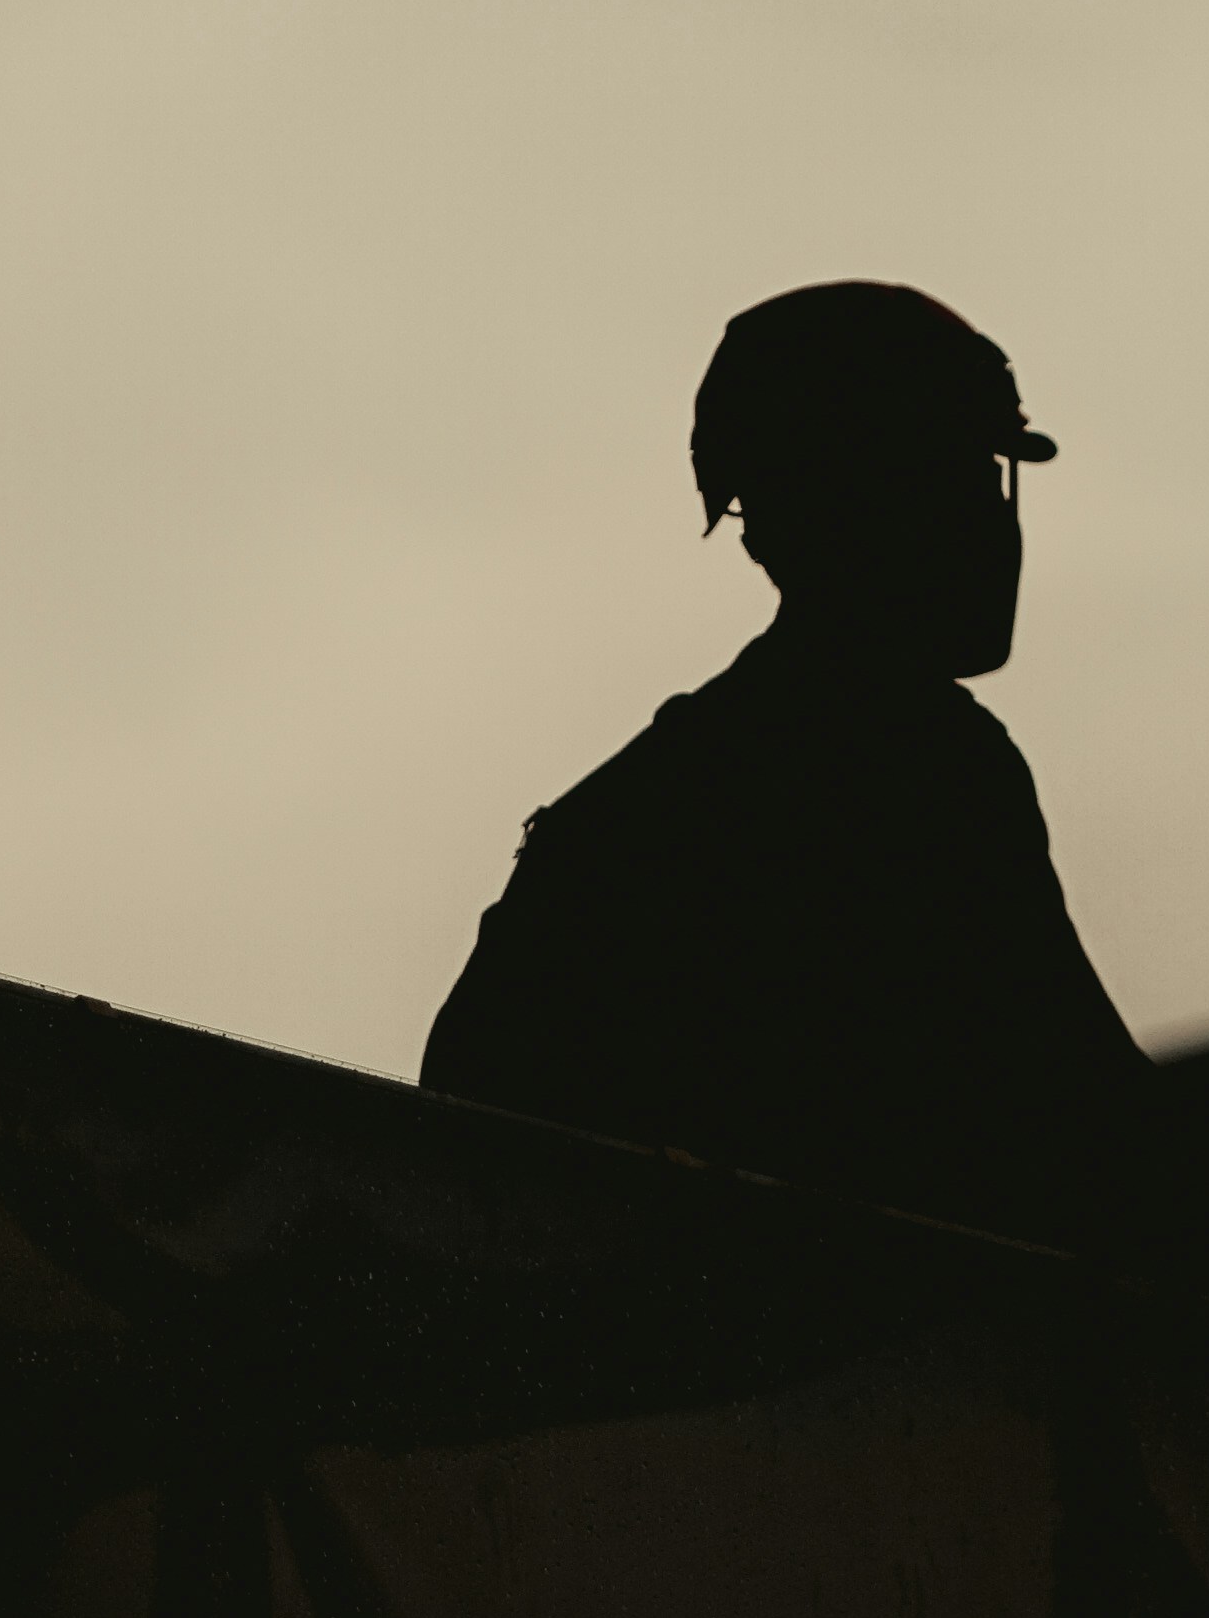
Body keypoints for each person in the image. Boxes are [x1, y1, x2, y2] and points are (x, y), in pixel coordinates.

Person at [421, 284, 1152, 1244]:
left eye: (990, 478)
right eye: (956, 476)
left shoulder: (649, 802)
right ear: (847, 507)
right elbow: (1101, 1136)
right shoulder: (913, 766)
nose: (990, 520)